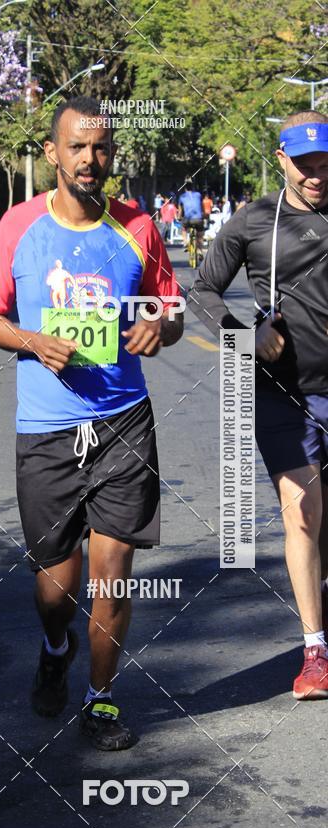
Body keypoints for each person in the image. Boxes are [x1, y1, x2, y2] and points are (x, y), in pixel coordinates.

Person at [0, 95, 183, 751]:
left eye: (100, 148)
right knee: (56, 590)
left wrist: (159, 325)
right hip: (46, 429)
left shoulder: (139, 227)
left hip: (124, 423)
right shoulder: (18, 226)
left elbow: (171, 308)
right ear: (53, 153)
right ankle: (55, 646)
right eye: (77, 147)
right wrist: (32, 341)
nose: (90, 159)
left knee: (113, 573)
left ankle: (101, 700)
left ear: (111, 154)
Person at [188, 109, 328, 699]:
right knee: (302, 515)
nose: (317, 175)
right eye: (305, 164)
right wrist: (243, 338)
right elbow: (202, 291)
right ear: (281, 160)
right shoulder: (253, 221)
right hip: (283, 394)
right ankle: (315, 651)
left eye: (325, 163)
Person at [178, 181, 204, 252]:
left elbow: (180, 210)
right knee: (200, 233)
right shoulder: (198, 194)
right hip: (198, 218)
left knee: (183, 228)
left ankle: (185, 242)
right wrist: (203, 215)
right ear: (193, 188)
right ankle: (199, 250)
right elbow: (201, 206)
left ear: (185, 188)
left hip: (188, 219)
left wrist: (179, 217)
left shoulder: (182, 196)